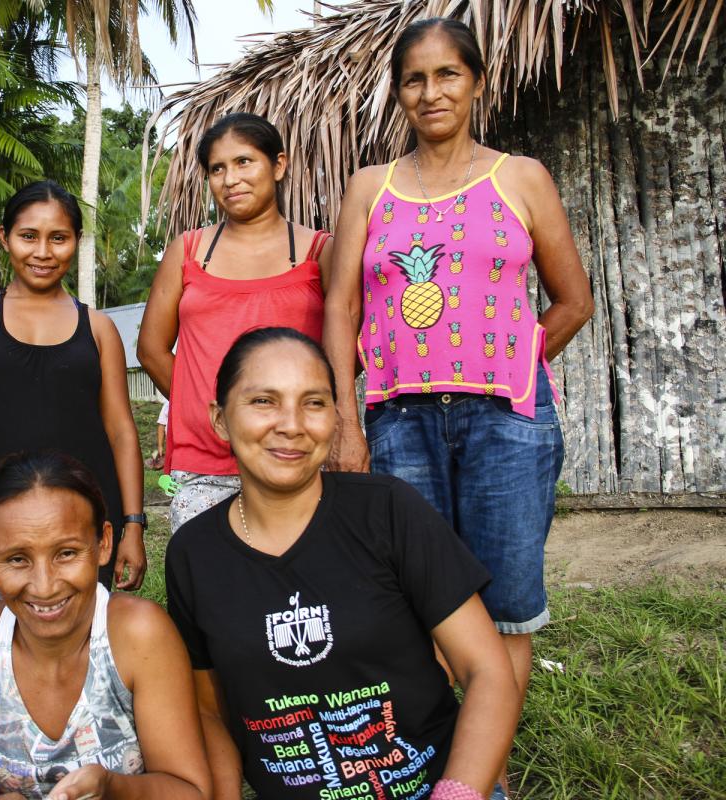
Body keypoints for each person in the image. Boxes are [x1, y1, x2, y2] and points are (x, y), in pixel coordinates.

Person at [323, 17, 594, 792]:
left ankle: (482, 784)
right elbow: (340, 311)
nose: (431, 91)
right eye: (415, 78)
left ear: (476, 83)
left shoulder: (521, 178)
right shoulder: (369, 188)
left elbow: (572, 301)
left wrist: (512, 365)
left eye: (448, 75)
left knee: (505, 608)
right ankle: (440, 763)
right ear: (399, 93)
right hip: (398, 420)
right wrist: (348, 418)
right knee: (421, 606)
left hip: (508, 424)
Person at [166, 327, 521, 800]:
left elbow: (488, 671)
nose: (291, 424)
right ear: (220, 420)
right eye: (263, 402)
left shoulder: (388, 511)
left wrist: (458, 793)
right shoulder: (194, 553)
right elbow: (209, 712)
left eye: (314, 402)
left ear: (335, 417)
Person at [0, 451, 213, 800]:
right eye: (17, 559)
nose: (45, 586)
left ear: (104, 543)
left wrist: (112, 788)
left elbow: (188, 790)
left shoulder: (140, 635)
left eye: (66, 553)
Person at [0, 180, 146, 605]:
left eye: (58, 238)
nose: (43, 252)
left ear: (76, 242)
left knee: (79, 643)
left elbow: (120, 431)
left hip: (83, 525)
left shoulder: (98, 329)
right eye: (29, 236)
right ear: (4, 238)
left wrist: (133, 524)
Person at [138, 112, 333, 532]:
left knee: (300, 593)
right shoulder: (189, 250)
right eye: (217, 169)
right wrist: (208, 411)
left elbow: (345, 346)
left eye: (245, 162)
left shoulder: (319, 251)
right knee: (210, 590)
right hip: (205, 464)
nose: (230, 179)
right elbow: (151, 349)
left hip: (295, 456)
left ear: (278, 165)